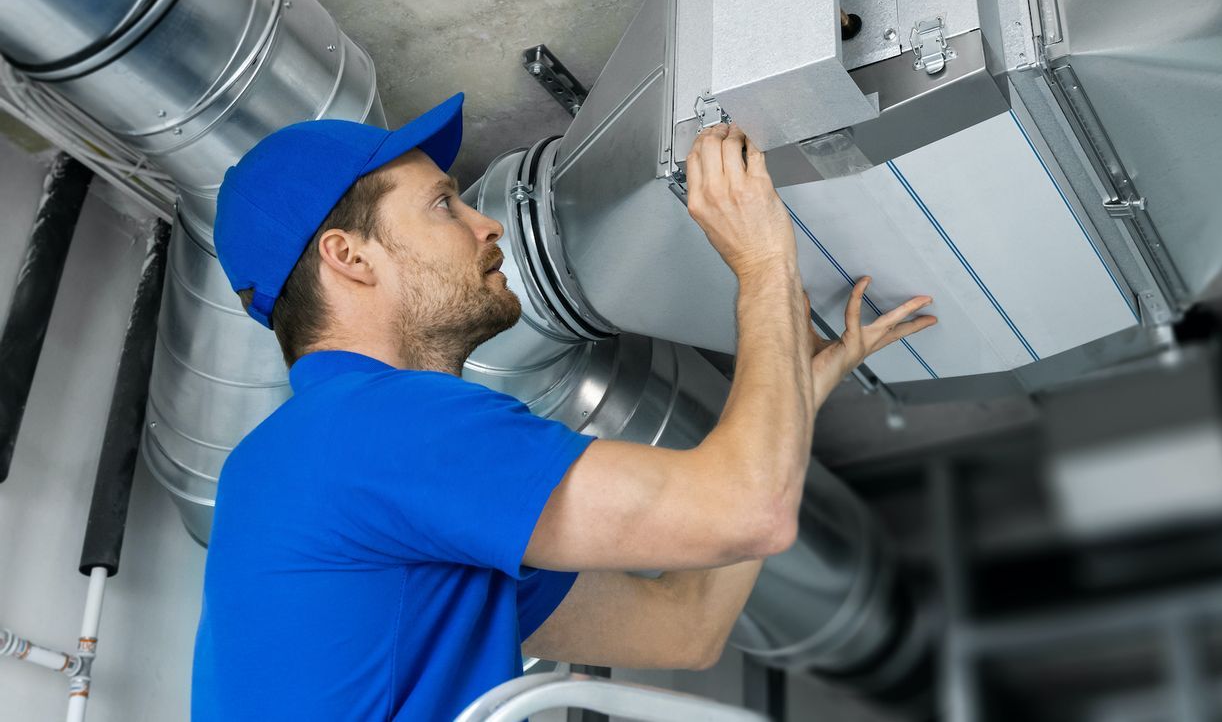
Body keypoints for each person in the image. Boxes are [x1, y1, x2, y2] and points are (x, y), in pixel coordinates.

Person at [190, 93, 935, 720]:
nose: (485, 225)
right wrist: (764, 262)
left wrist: (797, 387)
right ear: (349, 257)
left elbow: (687, 627)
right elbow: (750, 514)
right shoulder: (375, 429)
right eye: (443, 204)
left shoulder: (313, 463)